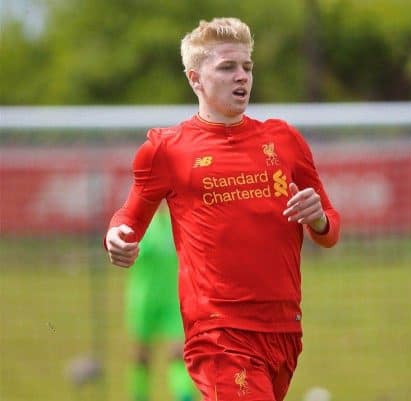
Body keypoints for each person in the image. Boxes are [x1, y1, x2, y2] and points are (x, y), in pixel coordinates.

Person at [105, 17, 340, 401]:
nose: (241, 77)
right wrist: (116, 237)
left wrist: (318, 217)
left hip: (283, 329)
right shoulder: (166, 150)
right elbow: (128, 219)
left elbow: (330, 230)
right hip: (217, 333)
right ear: (195, 79)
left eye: (247, 67)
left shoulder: (285, 141)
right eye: (227, 67)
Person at [125, 205, 198, 401]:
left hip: (172, 299)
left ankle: (184, 397)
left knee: (177, 353)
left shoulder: (181, 224)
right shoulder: (139, 225)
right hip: (143, 299)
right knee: (141, 356)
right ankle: (140, 396)